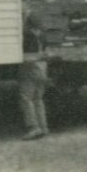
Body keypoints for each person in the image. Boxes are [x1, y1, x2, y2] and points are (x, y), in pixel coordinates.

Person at [19, 11, 49, 140]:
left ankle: (33, 127)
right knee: (38, 99)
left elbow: (25, 53)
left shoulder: (27, 35)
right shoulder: (42, 35)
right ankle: (43, 127)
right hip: (42, 67)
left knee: (26, 98)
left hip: (30, 66)